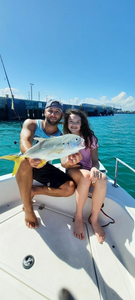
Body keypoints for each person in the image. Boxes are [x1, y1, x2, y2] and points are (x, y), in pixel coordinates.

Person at [16, 100, 81, 229]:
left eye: (57, 112)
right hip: (25, 163)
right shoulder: (32, 123)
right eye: (50, 110)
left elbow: (63, 163)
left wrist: (71, 162)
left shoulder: (62, 136)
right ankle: (28, 210)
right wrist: (31, 158)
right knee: (24, 161)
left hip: (43, 165)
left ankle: (33, 190)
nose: (53, 114)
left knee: (69, 188)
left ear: (61, 116)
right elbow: (24, 141)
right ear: (44, 112)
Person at [61, 108, 108, 243]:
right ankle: (79, 217)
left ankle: (94, 219)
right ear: (67, 123)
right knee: (86, 176)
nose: (74, 124)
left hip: (88, 171)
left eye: (77, 122)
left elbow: (95, 160)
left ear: (82, 124)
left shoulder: (90, 139)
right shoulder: (64, 139)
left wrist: (94, 168)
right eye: (71, 121)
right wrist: (70, 162)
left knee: (103, 178)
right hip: (73, 171)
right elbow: (63, 164)